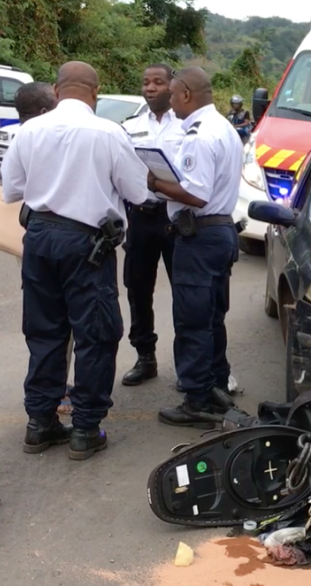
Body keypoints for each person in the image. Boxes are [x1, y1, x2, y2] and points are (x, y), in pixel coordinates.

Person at [1, 61, 151, 460]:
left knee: (45, 331)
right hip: (87, 243)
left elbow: (11, 190)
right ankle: (85, 428)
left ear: (56, 89)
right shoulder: (109, 133)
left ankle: (40, 423)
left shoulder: (29, 130)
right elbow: (138, 192)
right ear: (95, 92)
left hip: (39, 237)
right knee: (95, 334)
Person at [148, 67, 241, 427]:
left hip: (199, 235)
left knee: (192, 321)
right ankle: (215, 385)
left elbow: (196, 194)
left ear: (186, 94)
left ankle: (197, 399)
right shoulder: (224, 128)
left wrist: (156, 183)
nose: (170, 102)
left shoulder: (199, 135)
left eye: (172, 95)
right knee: (211, 317)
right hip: (219, 232)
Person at [9, 82, 78, 415]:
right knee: (64, 324)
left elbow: (11, 189)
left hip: (33, 238)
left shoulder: (20, 136)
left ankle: (45, 395)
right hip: (66, 238)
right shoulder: (52, 136)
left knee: (42, 324)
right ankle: (58, 391)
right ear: (43, 110)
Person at [119, 63, 184, 387]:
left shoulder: (186, 126)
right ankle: (145, 356)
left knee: (183, 291)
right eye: (146, 82)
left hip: (175, 216)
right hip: (141, 216)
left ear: (172, 86)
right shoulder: (128, 127)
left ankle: (188, 364)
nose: (150, 87)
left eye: (158, 82)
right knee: (137, 289)